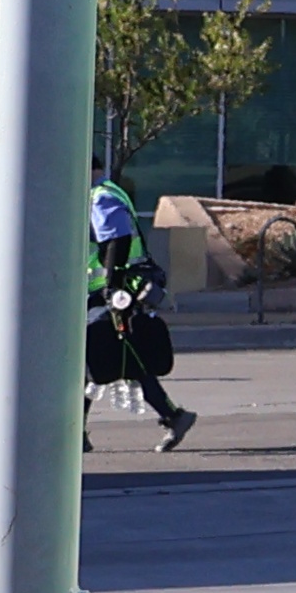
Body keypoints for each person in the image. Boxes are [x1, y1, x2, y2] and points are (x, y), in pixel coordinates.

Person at [88, 172, 193, 450]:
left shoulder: (100, 197)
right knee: (105, 358)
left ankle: (174, 416)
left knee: (102, 357)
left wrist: (111, 285)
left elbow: (118, 239)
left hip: (111, 291)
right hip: (111, 289)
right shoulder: (107, 192)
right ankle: (173, 416)